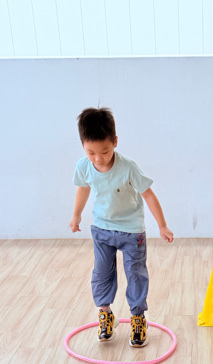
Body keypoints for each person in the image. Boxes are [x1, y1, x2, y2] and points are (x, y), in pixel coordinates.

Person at [69, 107, 173, 346]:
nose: (98, 158)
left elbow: (148, 194)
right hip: (102, 229)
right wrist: (76, 214)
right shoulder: (84, 166)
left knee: (135, 273)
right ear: (83, 146)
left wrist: (162, 225)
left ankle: (138, 318)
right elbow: (83, 188)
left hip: (131, 230)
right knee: (101, 273)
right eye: (91, 152)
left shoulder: (128, 167)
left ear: (115, 142)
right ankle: (106, 313)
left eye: (104, 151)